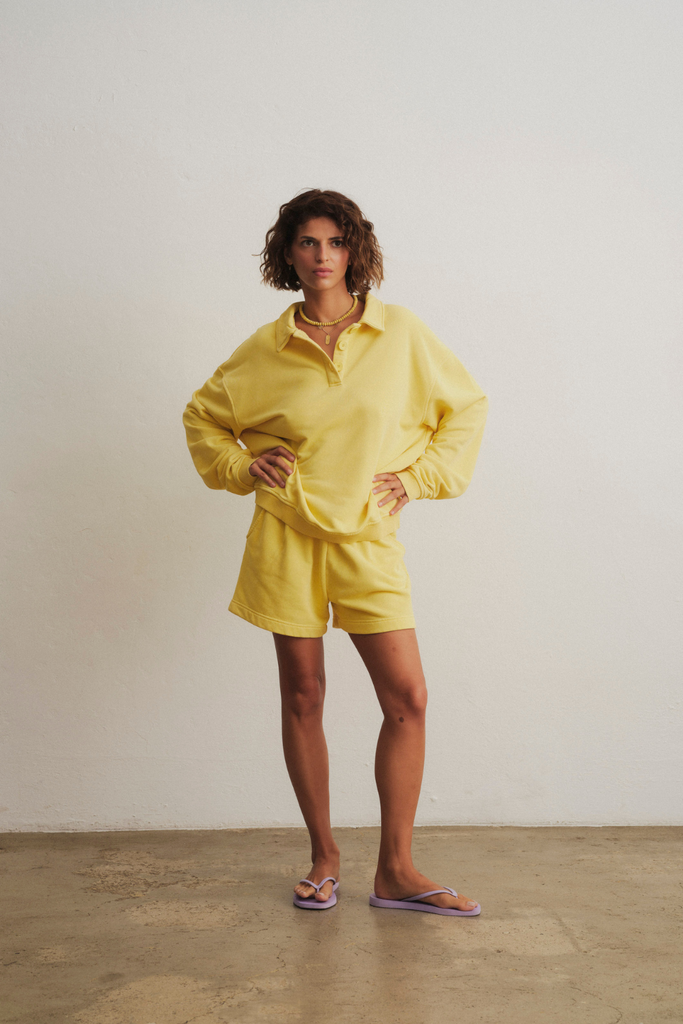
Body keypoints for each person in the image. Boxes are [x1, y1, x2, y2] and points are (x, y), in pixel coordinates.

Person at [182, 189, 488, 916]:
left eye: (335, 241)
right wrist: (241, 466)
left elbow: (466, 408)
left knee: (407, 698)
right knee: (303, 694)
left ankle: (396, 870)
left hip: (368, 538)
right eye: (307, 242)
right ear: (287, 254)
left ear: (356, 250)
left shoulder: (400, 333)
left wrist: (417, 479)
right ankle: (323, 857)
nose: (322, 256)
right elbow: (203, 417)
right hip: (286, 535)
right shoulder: (265, 349)